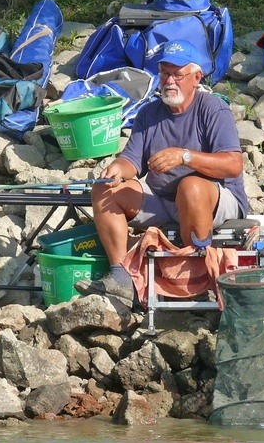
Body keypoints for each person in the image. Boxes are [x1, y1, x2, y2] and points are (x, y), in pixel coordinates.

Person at [75, 39, 249, 301]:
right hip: (162, 198)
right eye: (165, 73)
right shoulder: (149, 113)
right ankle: (122, 278)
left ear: (196, 77)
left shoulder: (213, 109)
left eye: (178, 74)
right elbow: (132, 161)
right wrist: (117, 170)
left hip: (214, 199)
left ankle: (198, 278)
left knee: (190, 186)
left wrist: (185, 157)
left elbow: (233, 164)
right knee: (105, 190)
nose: (169, 81)